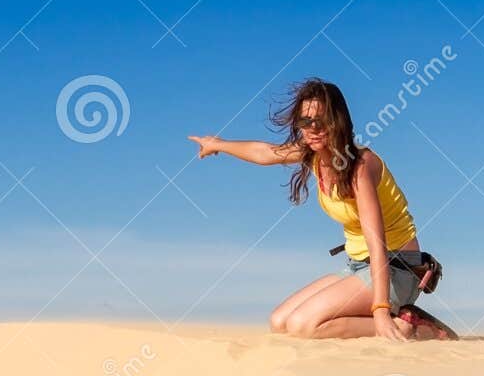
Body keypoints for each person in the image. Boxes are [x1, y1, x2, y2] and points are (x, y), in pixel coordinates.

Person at [188, 77, 450, 341]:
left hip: (396, 269)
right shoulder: (314, 156)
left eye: (320, 121)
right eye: (305, 122)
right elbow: (266, 153)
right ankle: (387, 318)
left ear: (338, 121)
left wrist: (380, 309)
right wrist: (217, 144)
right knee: (280, 322)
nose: (312, 129)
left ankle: (410, 327)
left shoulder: (360, 166)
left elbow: (376, 241)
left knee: (305, 326)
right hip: (358, 266)